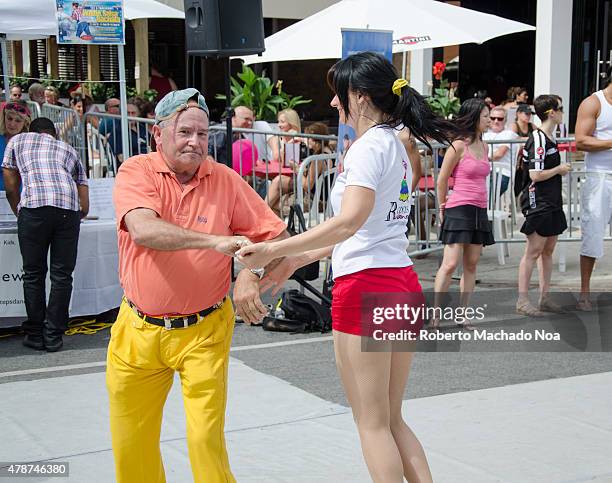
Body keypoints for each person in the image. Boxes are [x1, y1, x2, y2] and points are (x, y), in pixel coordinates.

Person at [237, 51, 461, 483]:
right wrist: (293, 259)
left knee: (373, 424)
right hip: (400, 282)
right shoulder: (396, 146)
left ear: (358, 96)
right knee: (392, 420)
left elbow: (349, 221)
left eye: (339, 95)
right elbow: (362, 231)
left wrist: (269, 253)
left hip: (365, 290)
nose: (334, 104)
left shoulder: (368, 148)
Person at [106, 88, 288, 483]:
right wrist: (214, 242)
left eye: (203, 134)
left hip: (204, 329)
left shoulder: (223, 178)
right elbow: (142, 229)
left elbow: (273, 235)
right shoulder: (136, 170)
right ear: (159, 134)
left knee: (205, 439)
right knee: (130, 442)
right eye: (185, 132)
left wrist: (248, 276)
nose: (195, 142)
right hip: (138, 329)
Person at [2, 117, 89, 352]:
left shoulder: (18, 140)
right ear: (53, 134)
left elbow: (10, 183)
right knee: (62, 275)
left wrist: (19, 209)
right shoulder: (67, 148)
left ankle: (35, 333)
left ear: (33, 131)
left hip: (35, 209)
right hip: (67, 211)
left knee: (33, 273)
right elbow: (82, 186)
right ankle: (53, 336)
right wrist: (81, 212)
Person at [433, 98, 494, 329]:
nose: (489, 120)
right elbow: (441, 180)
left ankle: (463, 314)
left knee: (471, 264)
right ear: (474, 117)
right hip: (458, 207)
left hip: (479, 209)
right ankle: (436, 313)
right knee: (449, 264)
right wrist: (442, 207)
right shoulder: (458, 145)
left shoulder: (485, 146)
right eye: (486, 116)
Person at [515, 95, 570, 316]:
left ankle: (545, 297)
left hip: (553, 199)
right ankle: (522, 300)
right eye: (561, 108)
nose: (563, 112)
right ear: (551, 113)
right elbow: (535, 174)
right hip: (539, 200)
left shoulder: (550, 137)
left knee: (548, 250)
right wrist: (559, 169)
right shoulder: (538, 138)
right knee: (533, 251)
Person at [575, 66, 612, 311]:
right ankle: (584, 294)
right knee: (592, 234)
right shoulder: (593, 102)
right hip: (600, 177)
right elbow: (581, 140)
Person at [483, 106, 518, 195]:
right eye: (493, 118)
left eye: (500, 119)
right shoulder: (484, 134)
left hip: (502, 173)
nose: (496, 121)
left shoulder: (509, 134)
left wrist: (480, 159)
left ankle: (487, 208)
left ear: (505, 120)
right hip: (485, 171)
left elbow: (498, 154)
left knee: (488, 190)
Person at [0, 101, 31, 191]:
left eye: (18, 120)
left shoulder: (29, 144)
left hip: (22, 198)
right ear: (4, 118)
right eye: (9, 118)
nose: (12, 124)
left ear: (25, 122)